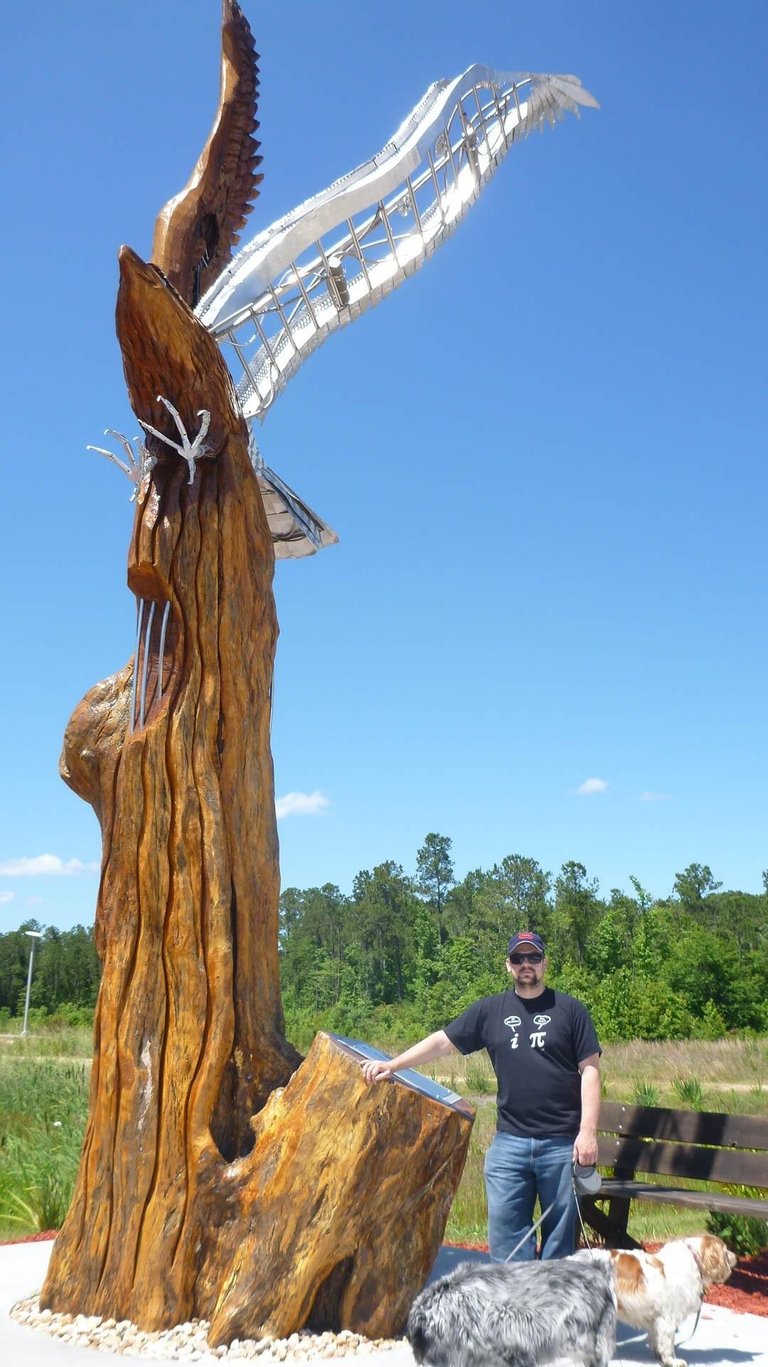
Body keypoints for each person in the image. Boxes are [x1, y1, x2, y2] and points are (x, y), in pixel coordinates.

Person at [361, 931, 601, 1262]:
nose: (526, 965)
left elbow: (590, 1070)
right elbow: (443, 1041)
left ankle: (552, 1308)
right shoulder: (491, 1011)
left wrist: (587, 1133)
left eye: (533, 958)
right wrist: (394, 1064)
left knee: (559, 1243)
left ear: (545, 963)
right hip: (509, 1146)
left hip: (561, 1145)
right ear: (508, 966)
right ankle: (513, 1308)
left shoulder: (571, 1011)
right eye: (518, 959)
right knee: (507, 1240)